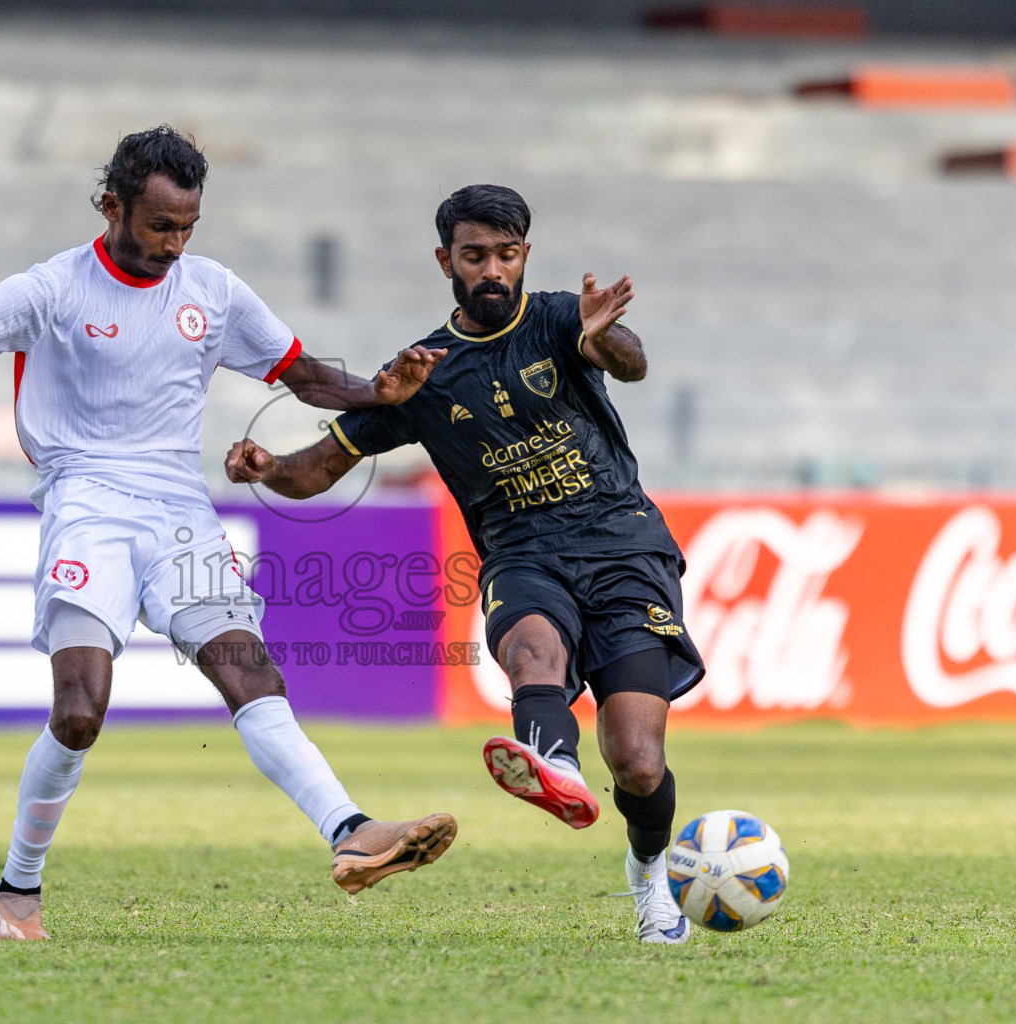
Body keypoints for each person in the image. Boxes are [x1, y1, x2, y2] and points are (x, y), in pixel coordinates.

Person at [0, 125, 456, 941]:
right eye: (160, 225)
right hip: (85, 503)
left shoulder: (214, 291)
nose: (174, 244)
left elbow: (305, 377)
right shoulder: (51, 288)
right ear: (112, 205)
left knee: (249, 669)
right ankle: (19, 889)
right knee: (81, 711)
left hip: (179, 511)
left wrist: (381, 390)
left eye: (188, 227)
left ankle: (349, 830)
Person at [225, 184, 706, 944]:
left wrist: (605, 334)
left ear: (524, 256)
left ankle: (649, 876)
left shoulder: (557, 318)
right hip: (523, 555)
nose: (493, 270)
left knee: (641, 765)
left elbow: (633, 363)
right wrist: (265, 466)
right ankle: (552, 760)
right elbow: (315, 470)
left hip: (624, 547)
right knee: (531, 649)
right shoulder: (422, 371)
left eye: (507, 255)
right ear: (445, 259)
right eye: (475, 255)